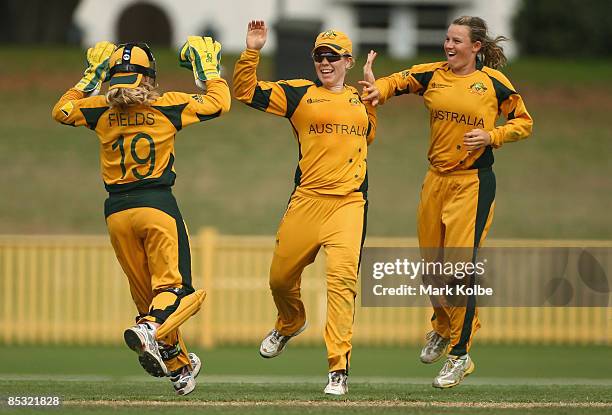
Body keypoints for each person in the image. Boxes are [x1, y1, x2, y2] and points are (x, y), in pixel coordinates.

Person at [51, 37, 231, 395]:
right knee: (176, 291)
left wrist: (91, 76)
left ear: (112, 75)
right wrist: (209, 70)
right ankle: (150, 328)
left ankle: (178, 365)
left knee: (149, 295)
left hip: (117, 212)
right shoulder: (166, 106)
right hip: (156, 204)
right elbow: (219, 104)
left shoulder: (100, 108)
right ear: (149, 78)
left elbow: (62, 110)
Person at [361, 16, 533, 388]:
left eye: (457, 40)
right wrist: (379, 90)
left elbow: (524, 121)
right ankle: (441, 326)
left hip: (472, 182)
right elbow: (402, 79)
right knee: (433, 270)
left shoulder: (493, 83)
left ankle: (460, 354)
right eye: (447, 39)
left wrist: (492, 135)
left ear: (476, 47)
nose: (449, 46)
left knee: (459, 270)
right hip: (435, 180)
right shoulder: (434, 74)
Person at [233, 21, 376, 395]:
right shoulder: (299, 94)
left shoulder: (361, 101)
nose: (324, 62)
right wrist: (252, 50)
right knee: (279, 279)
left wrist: (374, 93)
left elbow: (366, 138)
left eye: (332, 56)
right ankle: (290, 322)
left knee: (342, 284)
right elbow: (245, 92)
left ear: (348, 60)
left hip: (348, 204)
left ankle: (338, 371)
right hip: (307, 202)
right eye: (318, 56)